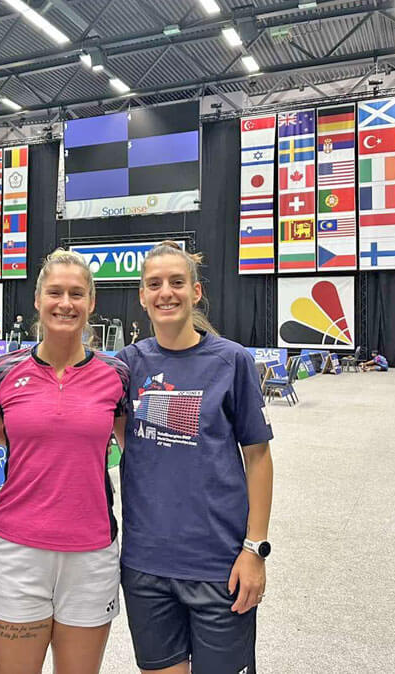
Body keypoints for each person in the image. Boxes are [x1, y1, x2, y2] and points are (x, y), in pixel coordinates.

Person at [116, 241, 274, 674]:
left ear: (196, 291)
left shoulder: (231, 361)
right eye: (154, 284)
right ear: (143, 296)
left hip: (219, 566)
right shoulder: (127, 365)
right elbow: (124, 437)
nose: (166, 292)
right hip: (146, 566)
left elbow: (258, 457)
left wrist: (255, 549)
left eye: (177, 282)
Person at [0, 250, 129, 674]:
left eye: (76, 293)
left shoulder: (116, 374)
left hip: (92, 554)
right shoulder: (4, 370)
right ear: (38, 299)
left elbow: (143, 456)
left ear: (91, 302)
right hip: (16, 551)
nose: (65, 303)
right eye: (55, 292)